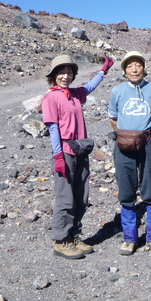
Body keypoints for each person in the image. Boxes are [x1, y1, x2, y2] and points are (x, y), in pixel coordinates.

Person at [42, 53, 114, 260]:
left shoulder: (74, 95)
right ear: (54, 75)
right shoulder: (51, 98)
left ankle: (73, 236)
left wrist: (104, 70)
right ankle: (61, 240)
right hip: (65, 152)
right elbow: (54, 129)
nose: (65, 76)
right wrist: (58, 157)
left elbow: (90, 87)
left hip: (81, 149)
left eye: (69, 72)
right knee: (65, 198)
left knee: (81, 196)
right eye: (61, 72)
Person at [108, 51, 151, 256]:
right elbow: (113, 117)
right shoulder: (117, 91)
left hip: (148, 142)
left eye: (138, 65)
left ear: (143, 67)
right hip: (124, 145)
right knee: (126, 189)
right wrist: (126, 137)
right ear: (124, 70)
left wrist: (150, 137)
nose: (134, 69)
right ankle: (130, 238)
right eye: (130, 66)